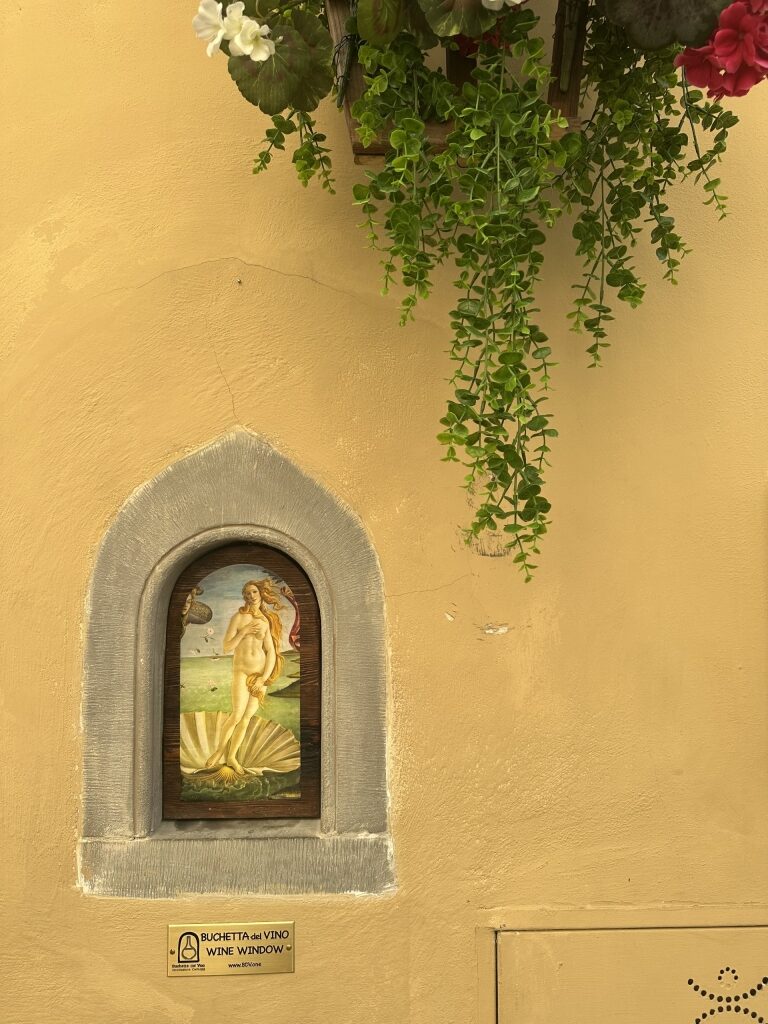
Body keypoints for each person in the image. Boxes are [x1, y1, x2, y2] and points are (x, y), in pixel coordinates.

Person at [204, 578, 284, 774]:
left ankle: (232, 757)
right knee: (237, 715)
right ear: (244, 597)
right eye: (247, 593)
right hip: (241, 672)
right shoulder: (238, 618)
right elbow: (226, 646)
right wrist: (245, 631)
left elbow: (270, 652)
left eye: (254, 592)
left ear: (260, 593)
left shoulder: (265, 621)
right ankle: (219, 752)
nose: (251, 596)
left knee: (247, 717)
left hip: (259, 675)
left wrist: (263, 678)